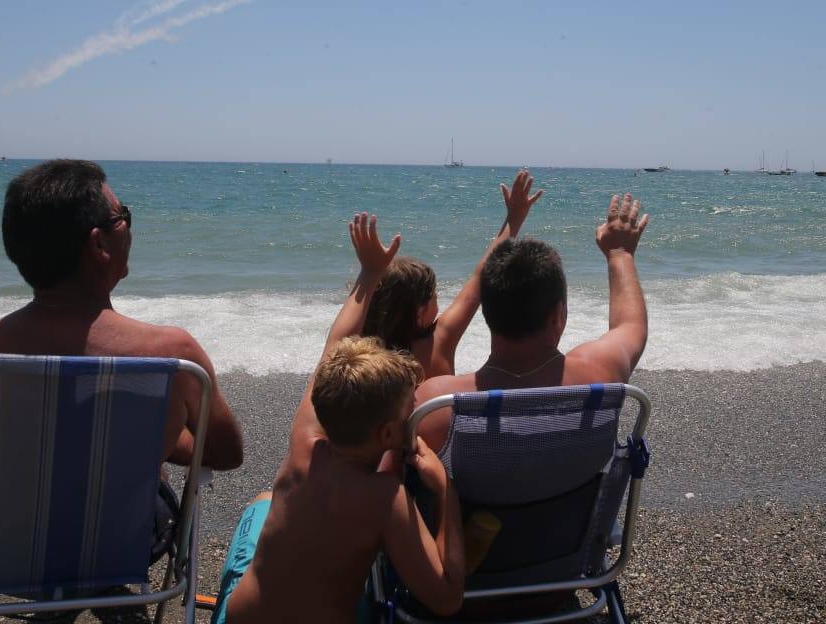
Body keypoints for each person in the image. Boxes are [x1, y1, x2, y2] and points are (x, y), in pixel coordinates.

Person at [0, 159, 244, 585]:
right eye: (124, 217)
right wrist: (154, 436)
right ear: (100, 245)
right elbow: (227, 454)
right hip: (122, 549)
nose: (129, 227)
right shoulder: (172, 356)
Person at [213, 213, 465, 624]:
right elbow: (447, 597)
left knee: (260, 506)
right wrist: (445, 491)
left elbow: (335, 343)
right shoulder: (386, 498)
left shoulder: (304, 442)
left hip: (237, 618)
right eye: (409, 411)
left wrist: (369, 274)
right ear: (387, 433)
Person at [414, 192, 650, 453]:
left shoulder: (435, 404)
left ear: (486, 313)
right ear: (557, 316)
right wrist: (620, 254)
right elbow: (631, 326)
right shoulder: (599, 375)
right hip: (578, 495)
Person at [363, 169, 542, 378]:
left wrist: (368, 273)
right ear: (420, 313)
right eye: (434, 297)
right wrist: (514, 219)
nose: (438, 303)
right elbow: (480, 277)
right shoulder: (438, 341)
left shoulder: (364, 358)